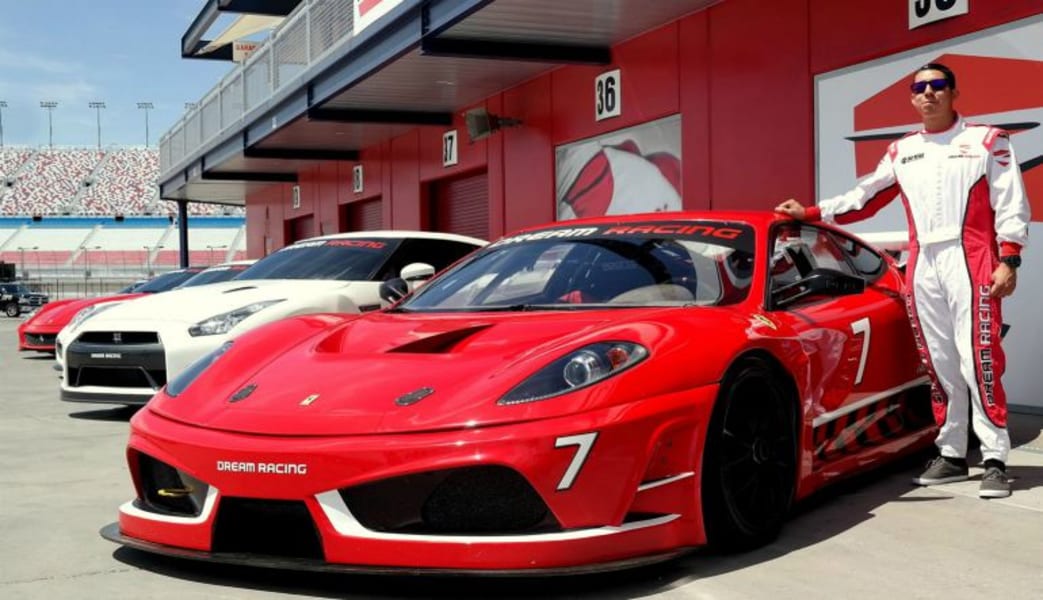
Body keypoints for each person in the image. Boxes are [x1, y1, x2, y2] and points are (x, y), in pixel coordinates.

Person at [775, 62, 1031, 499]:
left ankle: (993, 459)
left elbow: (1011, 201)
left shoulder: (987, 140)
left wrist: (1010, 258)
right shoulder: (902, 150)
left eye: (937, 86)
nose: (928, 93)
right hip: (924, 260)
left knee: (979, 359)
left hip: (972, 258)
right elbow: (865, 197)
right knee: (938, 361)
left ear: (953, 93)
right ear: (912, 97)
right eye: (920, 87)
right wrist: (812, 214)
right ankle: (951, 453)